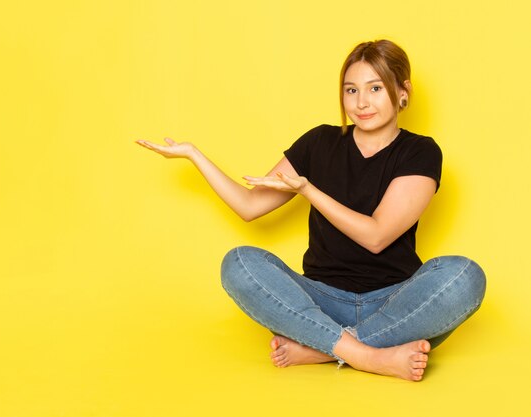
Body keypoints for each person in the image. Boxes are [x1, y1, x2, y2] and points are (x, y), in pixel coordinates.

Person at [136, 40, 486, 382]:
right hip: (319, 301)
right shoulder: (319, 142)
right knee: (239, 263)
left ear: (403, 90)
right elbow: (249, 206)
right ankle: (367, 354)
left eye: (375, 88)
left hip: (393, 302)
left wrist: (308, 189)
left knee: (465, 276)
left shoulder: (420, 152)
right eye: (351, 91)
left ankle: (323, 348)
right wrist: (194, 155)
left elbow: (376, 236)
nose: (361, 102)